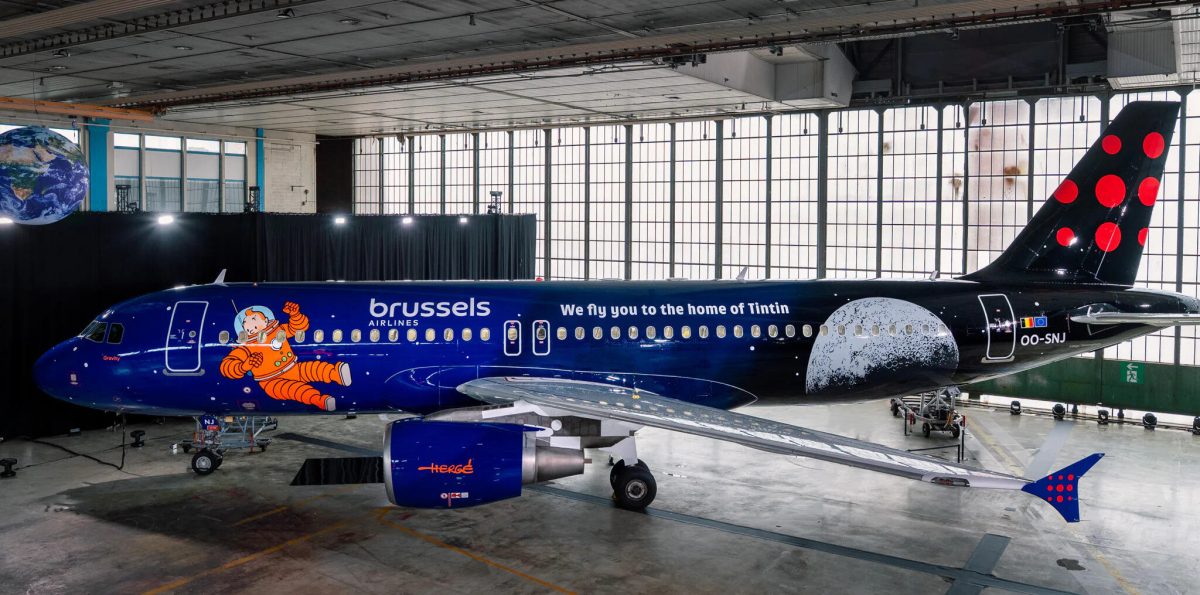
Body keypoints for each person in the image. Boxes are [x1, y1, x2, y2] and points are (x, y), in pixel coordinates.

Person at [219, 301, 350, 411]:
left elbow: (298, 327)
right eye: (247, 328)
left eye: (254, 320)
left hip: (292, 367)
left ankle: (336, 374)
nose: (251, 327)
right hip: (271, 382)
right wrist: (244, 366)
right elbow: (228, 365)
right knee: (297, 391)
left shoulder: (277, 331)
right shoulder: (247, 346)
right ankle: (321, 400)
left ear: (266, 321)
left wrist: (295, 315)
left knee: (313, 368)